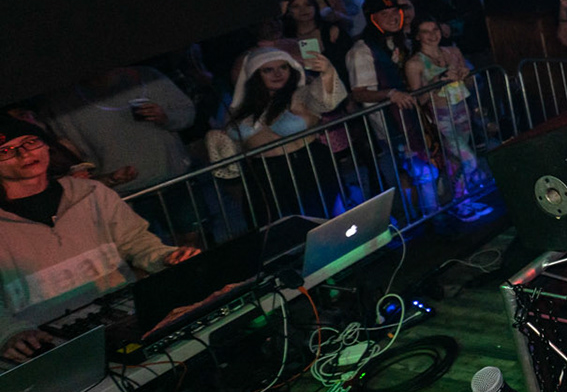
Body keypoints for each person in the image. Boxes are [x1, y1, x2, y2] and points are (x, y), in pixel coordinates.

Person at [0, 117, 201, 358]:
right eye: (6, 151)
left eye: (30, 142)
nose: (24, 154)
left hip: (125, 317)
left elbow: (135, 241)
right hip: (50, 342)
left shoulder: (91, 192)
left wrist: (166, 257)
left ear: (46, 145)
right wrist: (10, 332)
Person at [221, 48, 348, 224]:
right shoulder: (239, 108)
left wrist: (327, 71)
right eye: (268, 70)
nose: (278, 74)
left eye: (283, 67)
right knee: (278, 229)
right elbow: (230, 146)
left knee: (322, 222)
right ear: (255, 74)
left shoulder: (301, 94)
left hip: (307, 165)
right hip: (264, 174)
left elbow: (327, 101)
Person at [39, 67, 195, 196]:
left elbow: (187, 112)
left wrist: (166, 118)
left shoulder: (147, 76)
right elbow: (67, 153)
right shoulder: (62, 103)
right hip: (120, 192)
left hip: (174, 179)